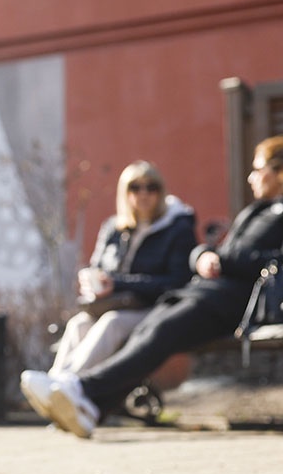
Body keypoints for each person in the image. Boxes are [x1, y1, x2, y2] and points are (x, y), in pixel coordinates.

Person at [22, 135, 283, 438]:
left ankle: (80, 387)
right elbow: (220, 252)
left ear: (281, 172)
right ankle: (92, 409)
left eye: (258, 169)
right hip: (205, 293)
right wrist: (203, 255)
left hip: (233, 304)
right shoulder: (257, 211)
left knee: (160, 333)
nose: (251, 176)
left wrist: (222, 260)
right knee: (148, 334)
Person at [48, 161, 196, 378]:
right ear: (125, 193)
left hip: (154, 309)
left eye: (151, 187)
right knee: (78, 324)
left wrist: (117, 284)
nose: (143, 194)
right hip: (112, 304)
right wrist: (92, 280)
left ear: (161, 191)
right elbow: (98, 267)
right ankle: (54, 382)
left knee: (112, 323)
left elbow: (178, 282)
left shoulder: (177, 228)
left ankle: (69, 384)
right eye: (135, 187)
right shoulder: (113, 227)